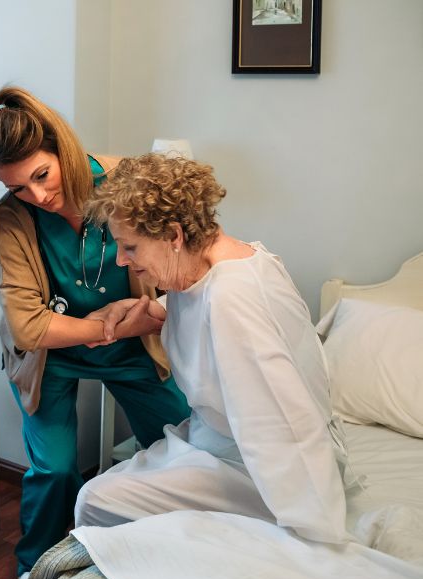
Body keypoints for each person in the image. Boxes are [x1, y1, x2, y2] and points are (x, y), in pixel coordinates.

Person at [0, 87, 191, 579]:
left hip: (132, 350)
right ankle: (33, 569)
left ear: (60, 146)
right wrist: (114, 325)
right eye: (18, 187)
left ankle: (176, 543)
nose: (37, 196)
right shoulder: (13, 219)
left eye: (41, 175)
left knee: (182, 442)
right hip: (52, 359)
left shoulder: (128, 182)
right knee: (56, 468)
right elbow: (29, 328)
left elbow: (182, 269)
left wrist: (136, 323)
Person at [74, 153, 350, 544]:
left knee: (96, 499)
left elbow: (279, 422)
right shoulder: (218, 263)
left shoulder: (232, 299)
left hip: (259, 466)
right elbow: (199, 317)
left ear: (173, 235)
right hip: (215, 442)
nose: (121, 260)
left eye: (129, 247)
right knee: (104, 496)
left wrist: (312, 523)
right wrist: (146, 311)